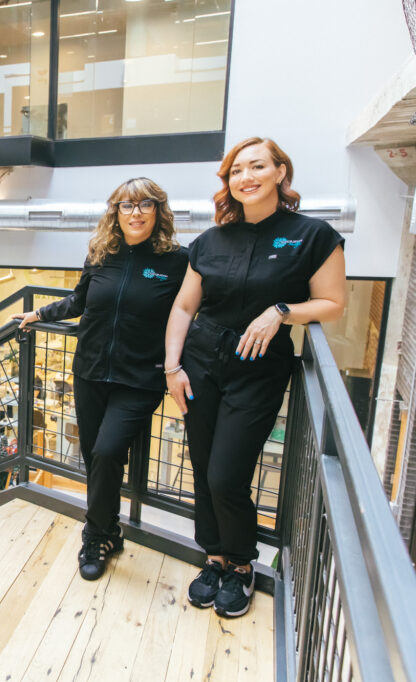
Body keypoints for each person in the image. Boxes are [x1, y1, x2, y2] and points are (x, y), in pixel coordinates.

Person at [165, 137, 345, 618]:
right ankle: (214, 557)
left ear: (280, 172)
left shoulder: (313, 235)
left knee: (227, 473)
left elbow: (332, 303)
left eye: (257, 166)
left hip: (258, 370)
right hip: (200, 364)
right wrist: (172, 367)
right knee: (203, 468)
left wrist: (282, 311)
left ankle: (241, 564)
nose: (246, 177)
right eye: (236, 171)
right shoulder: (209, 240)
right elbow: (185, 306)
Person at [12, 177, 188, 581]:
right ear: (116, 213)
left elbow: (189, 315)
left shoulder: (177, 261)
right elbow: (80, 300)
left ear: (158, 211)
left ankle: (94, 534)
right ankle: (109, 531)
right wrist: (40, 315)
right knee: (94, 458)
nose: (136, 213)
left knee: (108, 452)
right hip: (90, 372)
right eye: (126, 206)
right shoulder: (101, 253)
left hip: (139, 379)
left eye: (145, 204)